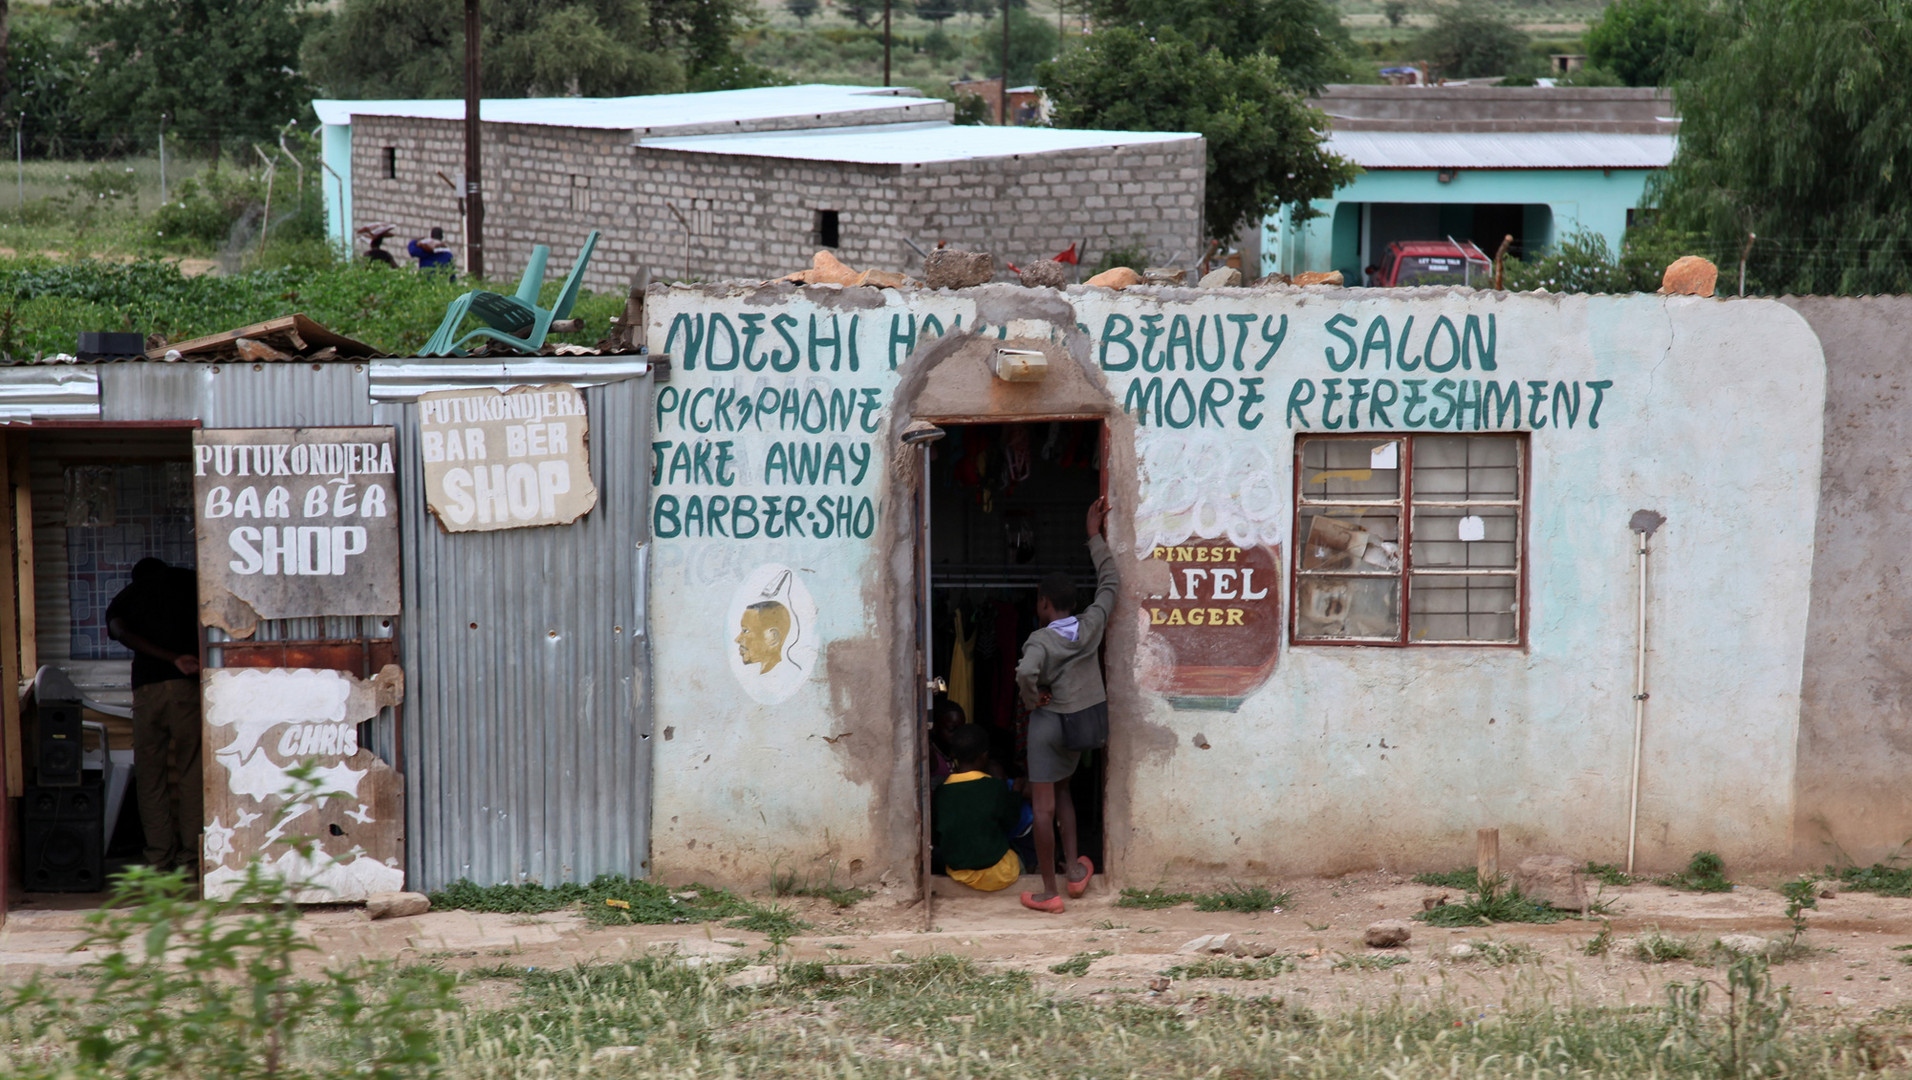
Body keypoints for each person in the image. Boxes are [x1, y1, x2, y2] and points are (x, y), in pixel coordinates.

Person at [1015, 495, 1116, 913]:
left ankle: (1048, 891)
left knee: (1043, 806)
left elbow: (1024, 673)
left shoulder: (1040, 639)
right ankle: (1076, 871)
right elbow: (1110, 583)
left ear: (1043, 604)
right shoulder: (1091, 625)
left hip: (1048, 724)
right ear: (1074, 603)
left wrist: (1031, 697)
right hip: (1079, 724)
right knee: (1065, 793)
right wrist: (1093, 536)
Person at [105, 558, 203, 874]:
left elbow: (119, 631)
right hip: (187, 690)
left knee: (150, 776)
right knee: (191, 772)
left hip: (147, 692)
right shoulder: (190, 583)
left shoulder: (128, 595)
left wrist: (167, 657)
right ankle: (191, 857)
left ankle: (159, 858)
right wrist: (180, 658)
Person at [932, 724, 1025, 892]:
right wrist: (1016, 793)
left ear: (953, 754)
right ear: (984, 756)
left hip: (959, 872)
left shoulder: (941, 791)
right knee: (1020, 854)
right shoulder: (995, 787)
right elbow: (1011, 821)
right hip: (998, 873)